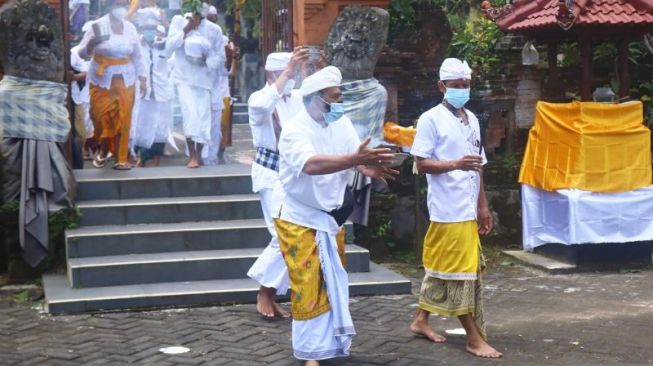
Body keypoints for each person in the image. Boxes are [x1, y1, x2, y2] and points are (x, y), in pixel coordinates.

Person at [275, 66, 399, 365]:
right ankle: (309, 354)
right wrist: (355, 159)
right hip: (300, 218)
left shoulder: (339, 121)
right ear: (315, 99)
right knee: (308, 285)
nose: (339, 104)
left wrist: (365, 167)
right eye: (334, 97)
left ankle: (329, 346)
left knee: (331, 283)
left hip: (330, 219)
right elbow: (311, 165)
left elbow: (352, 153)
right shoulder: (295, 129)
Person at [409, 58, 502, 358]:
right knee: (461, 272)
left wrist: (483, 205)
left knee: (445, 267)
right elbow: (421, 163)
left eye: (466, 85)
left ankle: (421, 320)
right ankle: (473, 337)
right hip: (447, 208)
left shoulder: (472, 119)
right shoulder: (430, 119)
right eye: (456, 85)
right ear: (442, 87)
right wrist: (454, 164)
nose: (463, 90)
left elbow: (479, 166)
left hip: (469, 207)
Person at [245, 49, 308, 318]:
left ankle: (269, 291)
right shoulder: (259, 98)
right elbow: (262, 107)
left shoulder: (296, 99)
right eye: (288, 72)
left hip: (295, 174)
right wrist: (289, 70)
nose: (293, 77)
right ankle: (265, 291)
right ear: (274, 73)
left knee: (293, 232)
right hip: (270, 174)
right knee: (281, 234)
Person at [78, 0, 147, 170]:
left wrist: (143, 79)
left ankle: (120, 158)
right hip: (101, 80)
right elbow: (81, 53)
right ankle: (103, 148)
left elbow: (138, 55)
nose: (121, 7)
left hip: (126, 80)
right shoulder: (97, 25)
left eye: (124, 4)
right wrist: (92, 43)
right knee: (99, 117)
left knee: (123, 119)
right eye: (118, 3)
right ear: (110, 6)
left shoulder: (130, 28)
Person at [167, 7, 225, 168]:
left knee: (203, 119)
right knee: (190, 115)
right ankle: (192, 155)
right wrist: (186, 29)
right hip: (183, 79)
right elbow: (168, 48)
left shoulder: (214, 30)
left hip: (204, 80)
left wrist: (207, 61)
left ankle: (199, 155)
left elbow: (220, 57)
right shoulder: (179, 21)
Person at [132, 25, 174, 167]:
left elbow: (179, 37)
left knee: (160, 129)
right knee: (141, 127)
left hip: (161, 94)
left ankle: (156, 162)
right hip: (143, 94)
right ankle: (140, 159)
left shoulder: (166, 45)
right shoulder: (137, 44)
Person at [202, 5, 226, 166]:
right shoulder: (190, 29)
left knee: (214, 126)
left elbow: (221, 59)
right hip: (195, 87)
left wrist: (206, 64)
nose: (212, 18)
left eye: (214, 16)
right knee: (198, 123)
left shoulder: (217, 32)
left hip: (215, 85)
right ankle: (197, 156)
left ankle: (211, 158)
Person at [70, 40, 94, 162]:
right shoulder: (75, 51)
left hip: (76, 96)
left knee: (81, 132)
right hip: (59, 97)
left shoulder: (74, 54)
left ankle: (79, 154)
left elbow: (85, 73)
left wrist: (73, 77)